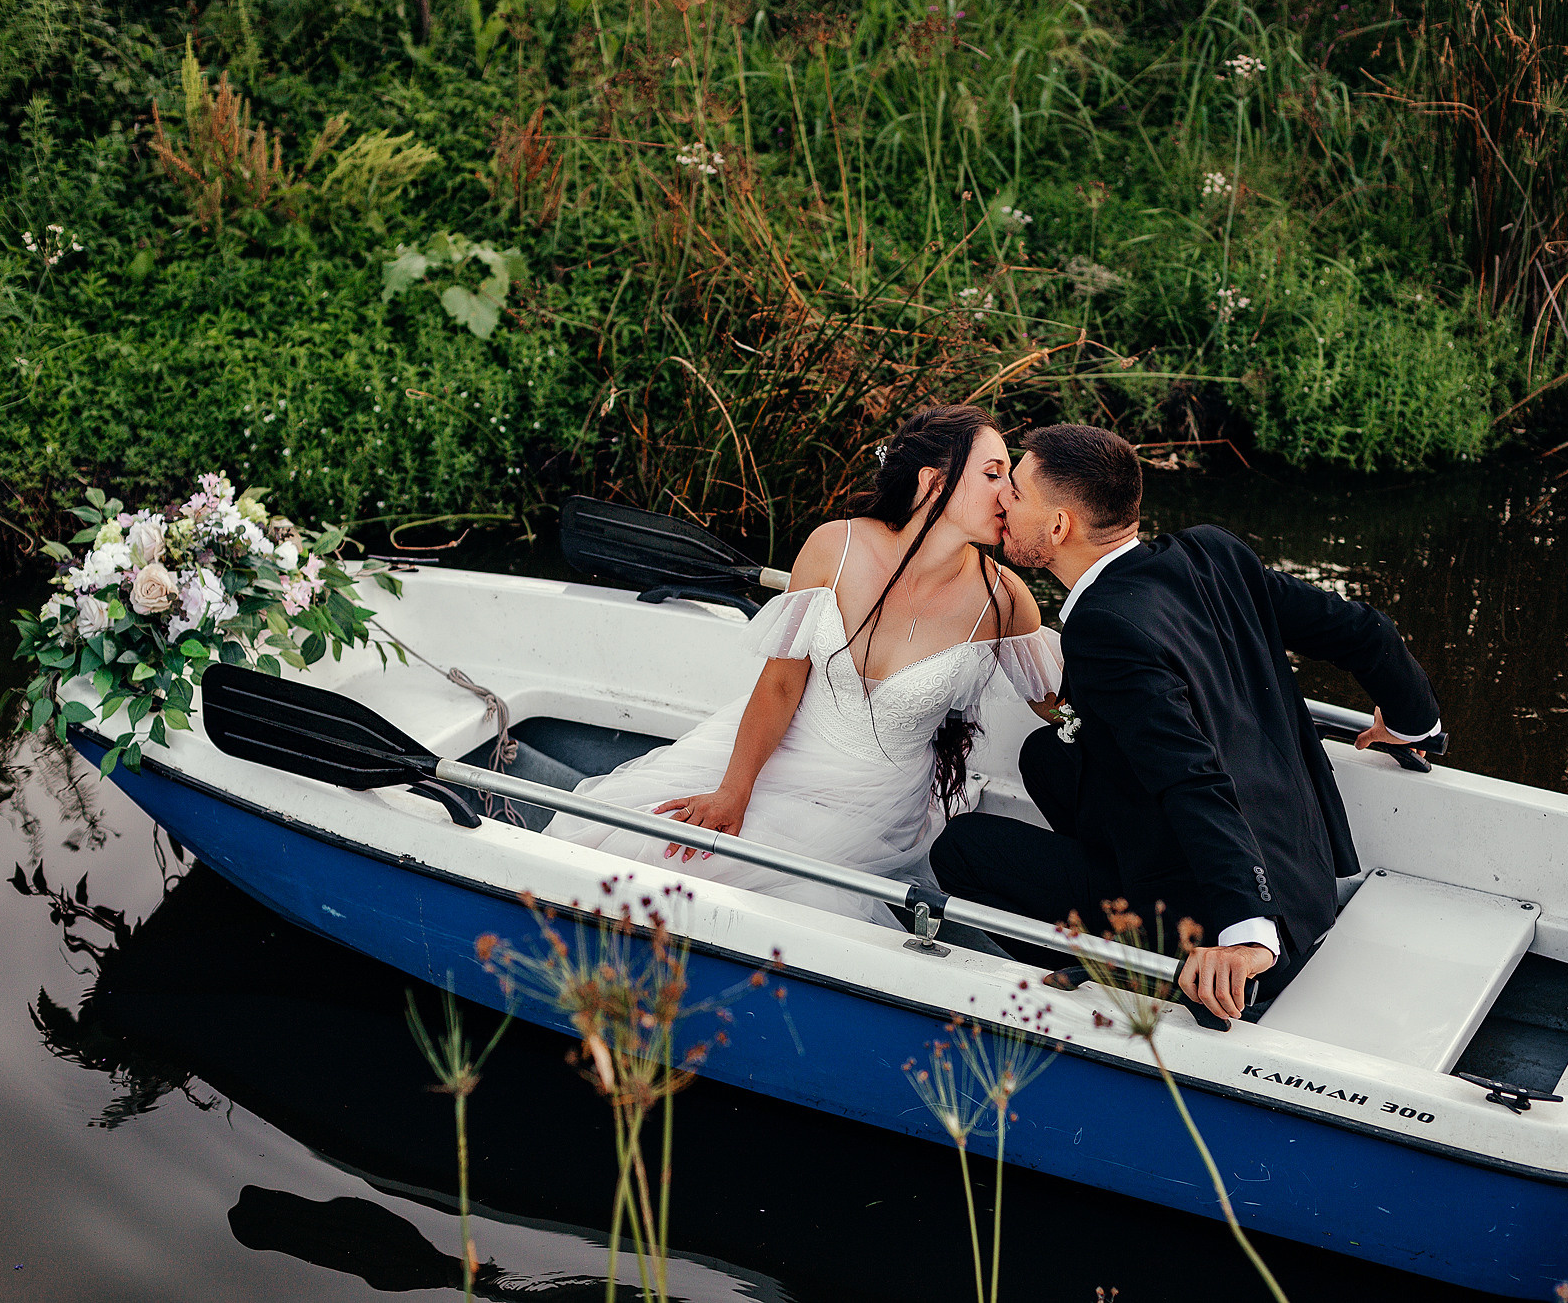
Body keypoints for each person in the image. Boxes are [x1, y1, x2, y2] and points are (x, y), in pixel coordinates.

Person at [928, 425, 1441, 1019]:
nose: (1002, 501)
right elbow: (1364, 630)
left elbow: (1190, 777)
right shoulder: (1210, 553)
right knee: (1046, 754)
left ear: (1060, 526)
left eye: (1014, 491)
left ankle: (1134, 975)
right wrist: (1412, 724)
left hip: (1233, 921)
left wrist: (1247, 933)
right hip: (1306, 877)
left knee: (963, 851)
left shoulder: (1104, 628)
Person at [543, 406, 1063, 927]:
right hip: (780, 743)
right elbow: (780, 686)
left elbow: (1058, 710)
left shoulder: (1005, 601)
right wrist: (733, 793)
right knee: (636, 840)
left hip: (873, 800)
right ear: (932, 482)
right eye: (993, 474)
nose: (1007, 494)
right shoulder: (836, 546)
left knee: (731, 885)